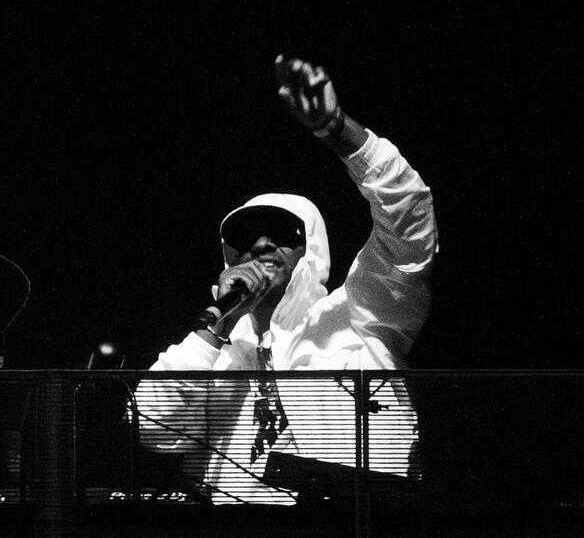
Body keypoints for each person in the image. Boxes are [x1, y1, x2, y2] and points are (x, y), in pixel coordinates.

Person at [136, 55, 437, 504]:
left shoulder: (358, 314)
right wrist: (217, 326)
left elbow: (408, 216)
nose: (261, 244)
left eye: (280, 232)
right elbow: (151, 429)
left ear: (310, 247)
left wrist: (339, 131)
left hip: (352, 533)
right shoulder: (213, 356)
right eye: (244, 236)